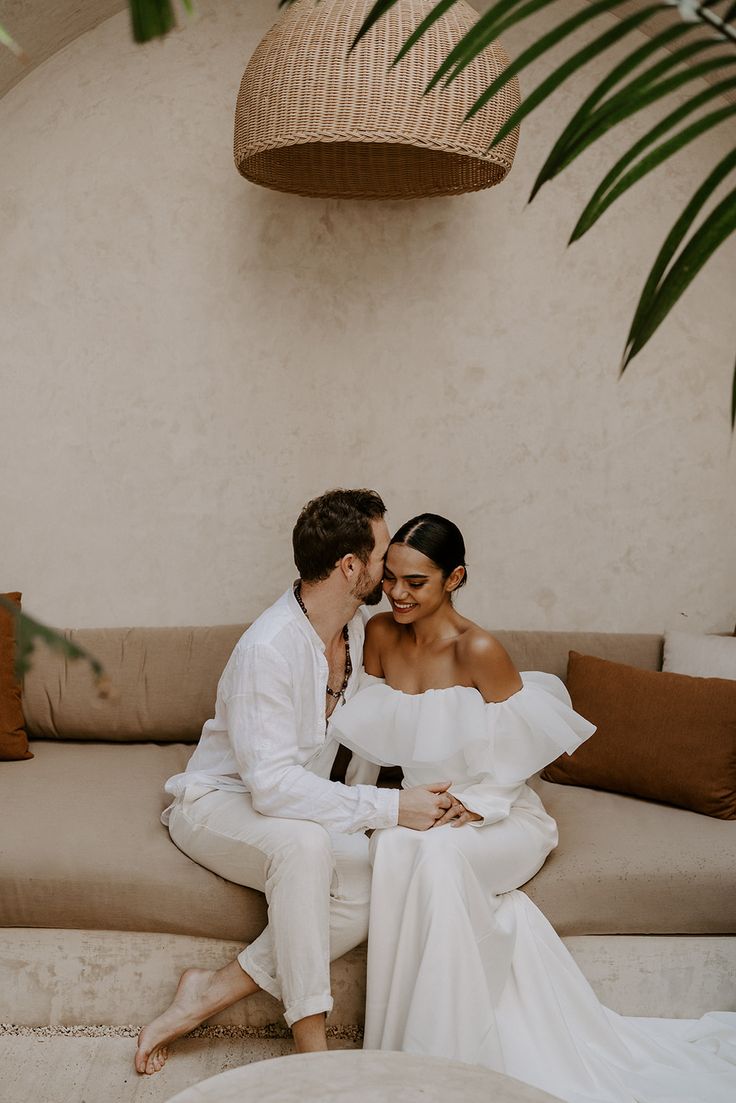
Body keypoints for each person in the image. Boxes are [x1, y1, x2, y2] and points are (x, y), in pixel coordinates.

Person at [330, 513, 736, 1103]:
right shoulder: (381, 636)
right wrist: (360, 807)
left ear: (455, 578)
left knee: (439, 862)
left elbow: (515, 759)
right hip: (422, 812)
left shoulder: (479, 649)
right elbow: (366, 740)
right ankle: (401, 1056)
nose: (396, 593)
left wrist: (472, 803)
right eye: (390, 577)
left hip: (499, 817)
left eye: (415, 582)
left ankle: (444, 1070)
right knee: (395, 846)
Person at [135, 490, 455, 1076]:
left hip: (289, 808)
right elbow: (273, 789)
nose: (392, 569)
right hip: (218, 804)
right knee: (303, 847)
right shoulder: (268, 648)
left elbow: (370, 732)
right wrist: (389, 806)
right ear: (351, 567)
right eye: (383, 554)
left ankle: (208, 991)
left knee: (372, 873)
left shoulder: (359, 632)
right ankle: (313, 1055)